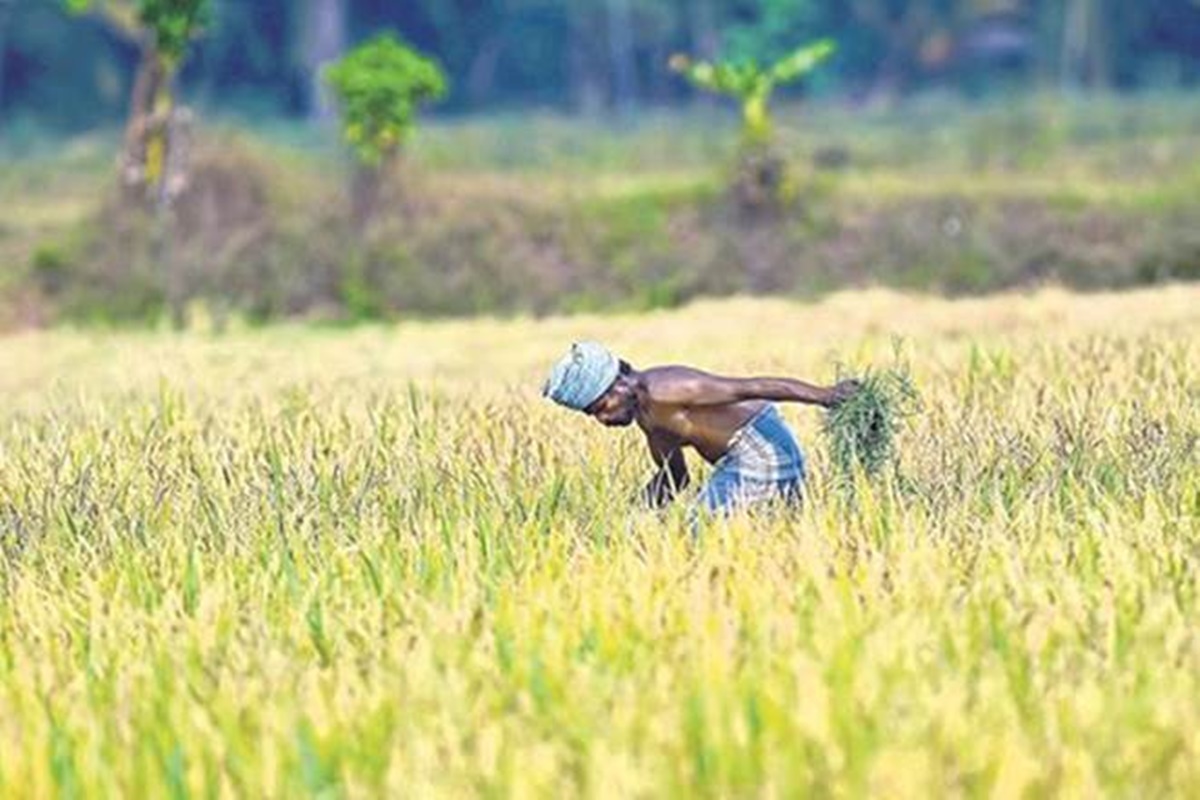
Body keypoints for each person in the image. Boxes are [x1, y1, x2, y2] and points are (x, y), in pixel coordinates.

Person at [543, 341, 859, 516]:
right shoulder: (649, 418)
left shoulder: (668, 388)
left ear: (619, 384)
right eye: (592, 415)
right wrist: (633, 520)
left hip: (761, 448)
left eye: (601, 408)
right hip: (737, 462)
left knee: (703, 524)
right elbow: (674, 478)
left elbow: (750, 387)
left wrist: (825, 395)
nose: (602, 420)